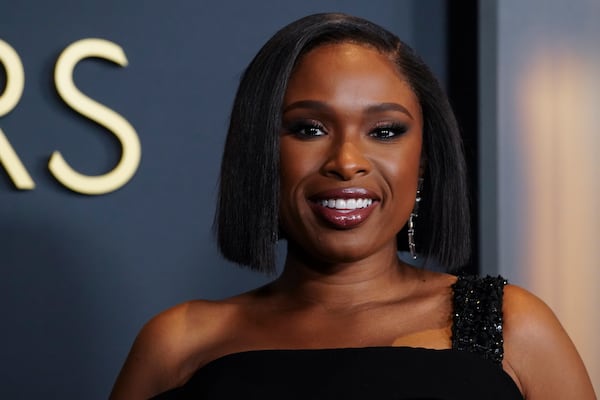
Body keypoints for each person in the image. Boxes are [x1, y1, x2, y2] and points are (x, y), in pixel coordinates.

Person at [110, 13, 596, 399]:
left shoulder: (512, 325)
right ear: (262, 152)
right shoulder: (178, 342)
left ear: (423, 160)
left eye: (385, 132)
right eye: (309, 129)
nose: (346, 162)